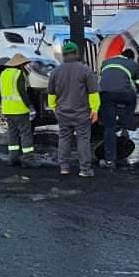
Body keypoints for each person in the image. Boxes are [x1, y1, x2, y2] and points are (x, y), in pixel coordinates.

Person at [47, 40, 100, 177]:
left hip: (63, 113)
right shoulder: (86, 70)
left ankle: (64, 167)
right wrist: (94, 110)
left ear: (64, 55)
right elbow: (93, 94)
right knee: (83, 139)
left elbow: (51, 94)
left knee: (64, 138)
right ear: (77, 53)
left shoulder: (55, 72)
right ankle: (84, 170)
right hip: (81, 114)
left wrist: (54, 108)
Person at [97, 48, 139, 169]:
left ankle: (109, 161)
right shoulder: (133, 64)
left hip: (105, 95)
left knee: (109, 128)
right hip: (124, 94)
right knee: (132, 97)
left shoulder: (106, 62)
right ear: (131, 58)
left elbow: (108, 79)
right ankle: (125, 126)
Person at [0, 53, 38, 167]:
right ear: (21, 65)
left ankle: (13, 158)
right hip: (19, 110)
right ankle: (28, 160)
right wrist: (30, 106)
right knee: (26, 134)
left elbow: (1, 94)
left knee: (12, 134)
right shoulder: (19, 74)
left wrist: (3, 107)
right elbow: (22, 92)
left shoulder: (3, 74)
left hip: (7, 110)